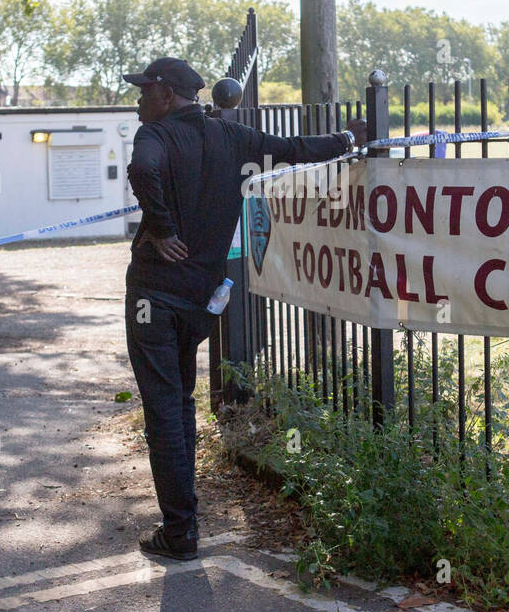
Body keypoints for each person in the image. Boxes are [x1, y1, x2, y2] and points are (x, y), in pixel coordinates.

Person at [123, 57, 366, 561]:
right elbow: (296, 150)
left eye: (145, 91)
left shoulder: (157, 136)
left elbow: (143, 169)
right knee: (181, 400)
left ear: (167, 94)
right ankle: (182, 519)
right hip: (200, 299)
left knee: (165, 409)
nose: (139, 100)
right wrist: (348, 140)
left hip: (155, 295)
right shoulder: (232, 137)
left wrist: (162, 228)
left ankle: (181, 530)